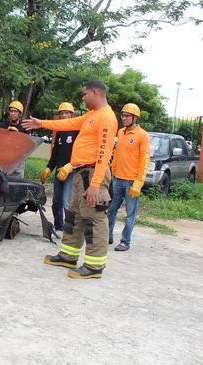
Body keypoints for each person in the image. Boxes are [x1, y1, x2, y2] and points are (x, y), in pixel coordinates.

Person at [23, 80, 117, 279]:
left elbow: (104, 154)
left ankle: (94, 267)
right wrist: (42, 123)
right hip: (80, 173)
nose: (83, 98)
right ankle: (68, 255)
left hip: (93, 175)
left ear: (95, 92)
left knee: (94, 218)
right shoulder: (93, 115)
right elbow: (68, 123)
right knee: (74, 216)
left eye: (84, 94)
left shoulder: (106, 117)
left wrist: (96, 185)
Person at [107, 103, 151, 251]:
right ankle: (108, 235)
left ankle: (125, 241)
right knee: (111, 209)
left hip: (132, 181)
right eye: (123, 115)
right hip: (118, 179)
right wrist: (112, 172)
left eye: (127, 116)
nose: (124, 118)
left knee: (130, 213)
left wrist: (139, 182)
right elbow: (116, 154)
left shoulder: (142, 136)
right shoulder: (120, 132)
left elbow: (145, 159)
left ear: (135, 118)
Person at [40, 102, 78, 231]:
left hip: (71, 171)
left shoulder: (78, 131)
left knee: (67, 201)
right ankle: (59, 227)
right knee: (56, 202)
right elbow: (55, 153)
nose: (64, 115)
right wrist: (49, 168)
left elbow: (80, 153)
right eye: (61, 113)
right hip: (59, 171)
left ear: (72, 115)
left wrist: (70, 167)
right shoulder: (60, 132)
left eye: (66, 113)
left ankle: (70, 229)